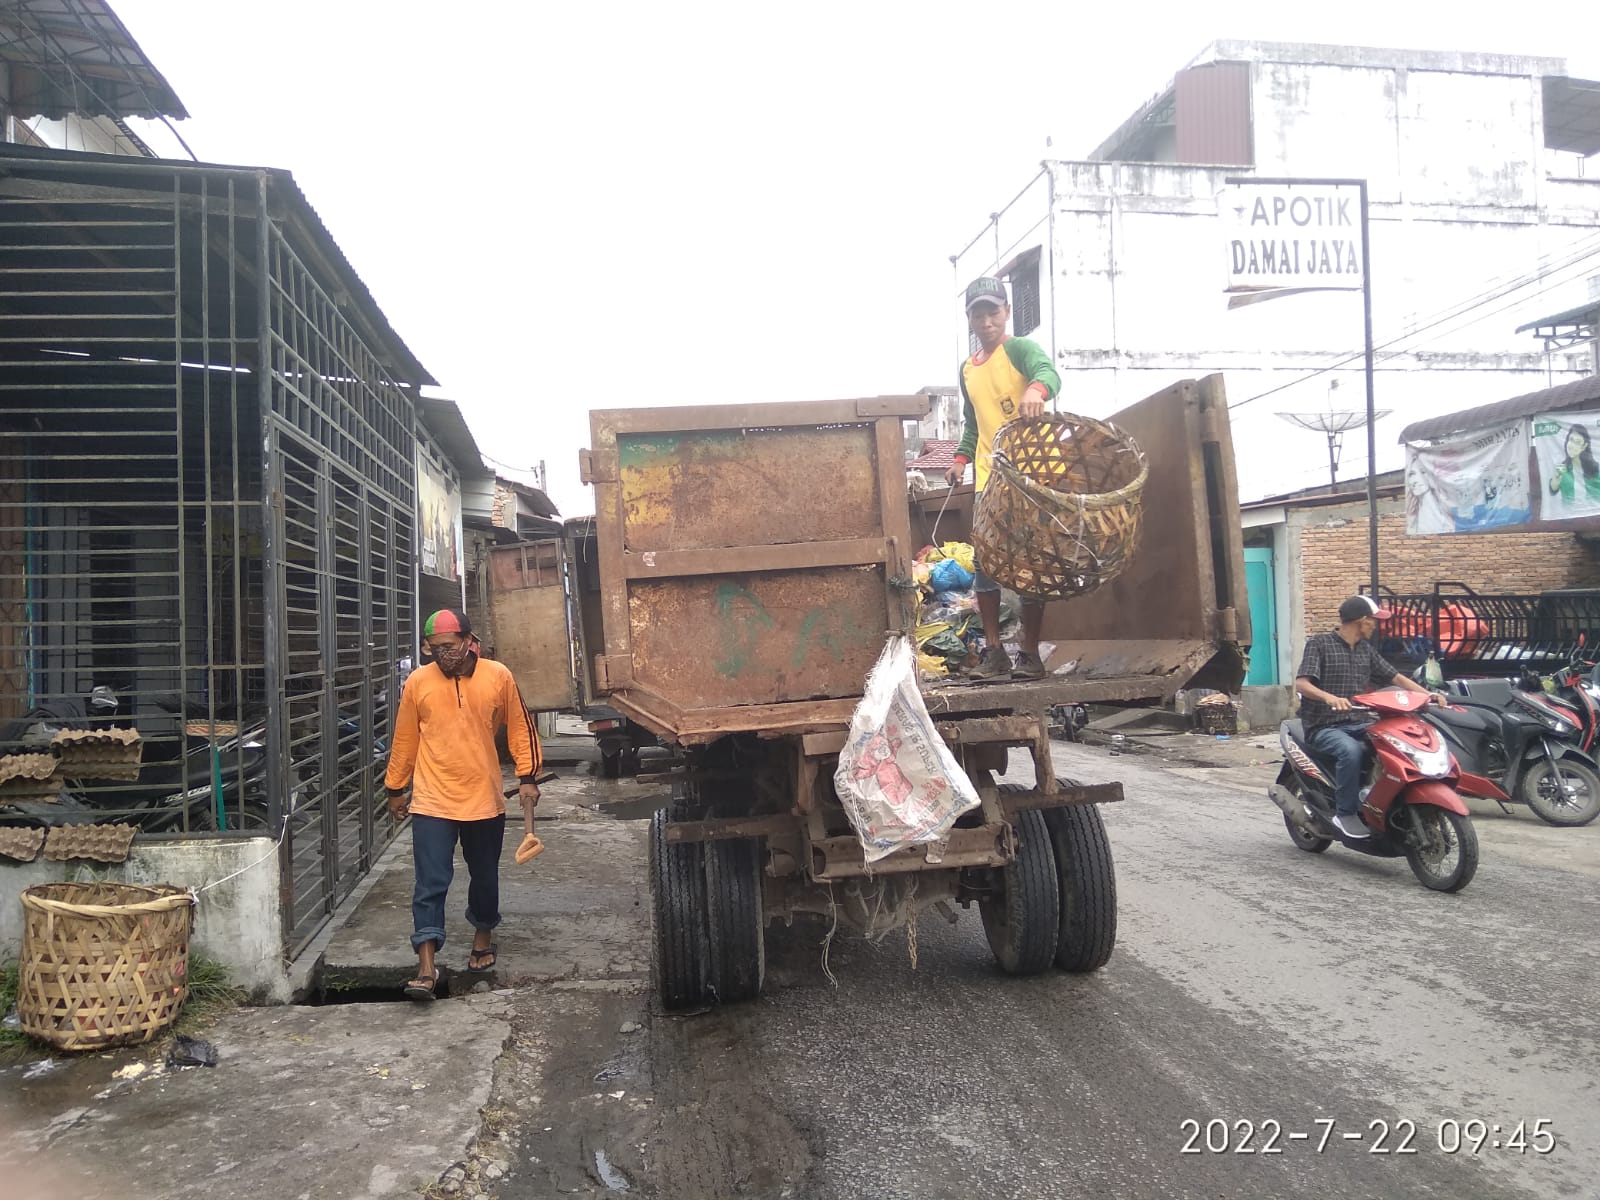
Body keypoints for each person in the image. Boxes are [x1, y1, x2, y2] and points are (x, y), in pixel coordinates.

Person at [384, 608, 541, 1000]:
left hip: (483, 798)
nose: (443, 654)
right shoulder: (418, 682)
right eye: (434, 648)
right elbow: (405, 738)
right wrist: (395, 787)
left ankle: (482, 937)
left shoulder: (498, 676)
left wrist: (527, 776)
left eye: (450, 646)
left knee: (484, 876)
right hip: (432, 799)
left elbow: (520, 727)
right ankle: (426, 966)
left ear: (470, 641)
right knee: (429, 882)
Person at [943, 275, 1061, 680]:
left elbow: (1048, 373)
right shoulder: (967, 370)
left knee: (1031, 563)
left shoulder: (1020, 349)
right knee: (985, 565)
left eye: (993, 312)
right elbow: (973, 422)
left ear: (1007, 312)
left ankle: (1029, 653)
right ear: (970, 320)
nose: (987, 321)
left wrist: (1037, 390)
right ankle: (994, 653)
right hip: (990, 481)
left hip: (1030, 478)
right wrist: (960, 459)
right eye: (978, 314)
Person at [1293, 595, 1439, 839]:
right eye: (1374, 620)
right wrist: (1329, 698)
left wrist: (1428, 695)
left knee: (1396, 743)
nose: (1376, 625)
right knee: (1350, 751)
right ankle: (1345, 813)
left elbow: (1395, 677)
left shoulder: (1365, 650)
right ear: (1362, 620)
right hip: (1323, 725)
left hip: (1359, 722)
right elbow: (1302, 684)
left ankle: (1382, 802)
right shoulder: (1319, 644)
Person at [1548, 423, 1600, 508]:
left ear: (1584, 446)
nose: (1572, 445)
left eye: (1577, 442)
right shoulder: (1562, 468)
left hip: (1593, 512)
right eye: (1571, 439)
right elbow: (1552, 492)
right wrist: (1554, 485)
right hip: (1570, 514)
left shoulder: (1596, 468)